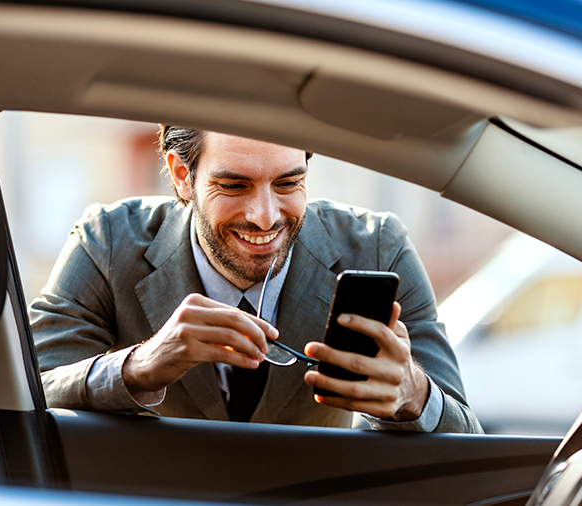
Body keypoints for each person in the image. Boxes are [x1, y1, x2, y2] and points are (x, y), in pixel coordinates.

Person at [31, 127, 482, 433]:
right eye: (234, 186)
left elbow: (467, 437)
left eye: (288, 184)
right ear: (182, 175)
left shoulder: (379, 246)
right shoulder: (107, 242)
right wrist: (140, 366)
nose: (265, 217)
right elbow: (22, 395)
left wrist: (413, 394)